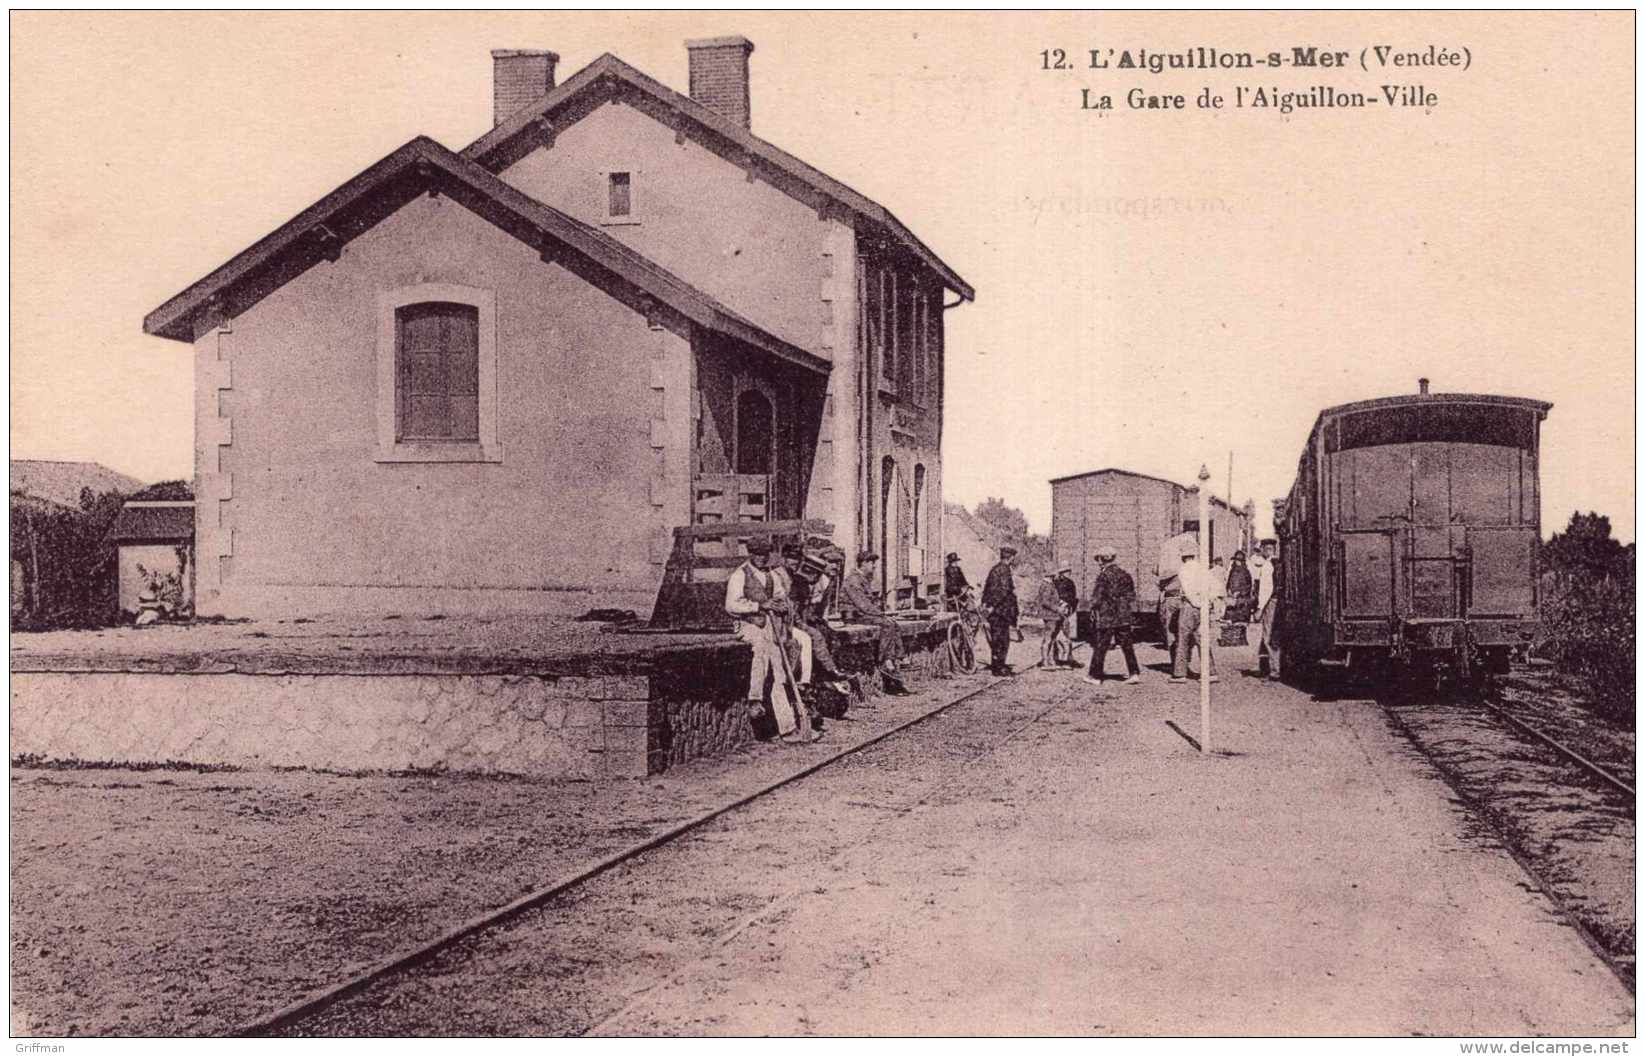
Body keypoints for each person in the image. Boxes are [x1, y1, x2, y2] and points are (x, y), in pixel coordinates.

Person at [725, 538, 815, 743]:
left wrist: (782, 606)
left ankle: (788, 728)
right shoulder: (740, 575)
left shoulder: (772, 575)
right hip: (747, 625)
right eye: (758, 555)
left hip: (770, 626)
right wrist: (759, 606)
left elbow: (781, 597)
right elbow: (732, 605)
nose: (762, 558)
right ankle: (754, 699)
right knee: (760, 647)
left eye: (765, 555)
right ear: (751, 554)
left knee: (779, 674)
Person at [777, 543, 848, 693]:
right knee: (811, 636)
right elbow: (789, 606)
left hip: (795, 619)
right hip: (782, 622)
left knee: (826, 635)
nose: (794, 562)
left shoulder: (799, 579)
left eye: (797, 559)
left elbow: (804, 607)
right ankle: (822, 675)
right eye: (791, 558)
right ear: (783, 558)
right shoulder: (779, 576)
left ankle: (825, 677)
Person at [838, 551, 911, 695]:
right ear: (864, 563)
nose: (874, 567)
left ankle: (898, 657)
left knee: (892, 624)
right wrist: (881, 614)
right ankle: (886, 661)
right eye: (872, 564)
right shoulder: (853, 580)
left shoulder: (862, 578)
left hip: (861, 614)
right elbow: (863, 605)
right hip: (854, 616)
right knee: (888, 624)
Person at [1086, 547, 1141, 685]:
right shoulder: (1125, 574)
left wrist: (1093, 607)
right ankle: (1134, 673)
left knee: (1101, 645)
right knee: (1127, 645)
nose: (1098, 563)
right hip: (1123, 615)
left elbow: (1097, 597)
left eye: (1098, 559)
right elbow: (1131, 595)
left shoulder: (1103, 576)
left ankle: (1095, 676)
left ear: (1102, 559)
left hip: (1107, 615)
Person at [1171, 541, 1222, 683]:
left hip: (1190, 606)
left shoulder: (1183, 570)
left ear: (1182, 556)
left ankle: (1180, 674)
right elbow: (1217, 587)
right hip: (1204, 606)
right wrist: (1207, 601)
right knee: (1202, 640)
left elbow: (1187, 591)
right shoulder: (1203, 569)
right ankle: (1210, 672)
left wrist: (1195, 602)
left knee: (1183, 639)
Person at [981, 546, 1020, 675]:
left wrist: (986, 604)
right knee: (1001, 640)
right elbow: (1002, 591)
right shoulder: (1004, 569)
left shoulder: (996, 569)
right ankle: (998, 668)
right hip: (1000, 612)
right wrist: (992, 606)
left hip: (997, 612)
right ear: (1011, 557)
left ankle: (998, 665)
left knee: (998, 639)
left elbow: (987, 590)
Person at [1253, 538, 1282, 680]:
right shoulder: (1278, 563)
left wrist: (1259, 609)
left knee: (1268, 636)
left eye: (1263, 549)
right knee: (1271, 634)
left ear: (1267, 550)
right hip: (1277, 601)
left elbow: (1266, 590)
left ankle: (1274, 671)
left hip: (1269, 602)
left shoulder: (1267, 566)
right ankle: (1266, 667)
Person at [1034, 572, 1069, 669]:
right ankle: (1045, 662)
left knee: (1052, 639)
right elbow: (1045, 602)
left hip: (1053, 615)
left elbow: (1051, 600)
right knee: (1048, 638)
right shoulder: (1047, 585)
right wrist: (1058, 608)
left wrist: (1060, 602)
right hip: (1050, 615)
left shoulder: (1049, 584)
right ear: (1051, 575)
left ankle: (1050, 660)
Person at [1053, 566, 1080, 668]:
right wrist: (1067, 605)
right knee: (1064, 635)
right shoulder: (1069, 583)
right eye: (1067, 571)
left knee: (1059, 635)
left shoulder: (1055, 582)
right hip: (1064, 610)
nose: (1068, 572)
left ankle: (1060, 659)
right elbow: (1072, 597)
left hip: (1059, 610)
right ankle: (1065, 660)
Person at [1224, 549, 1255, 624]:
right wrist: (1228, 591)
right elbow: (1228, 583)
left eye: (1239, 560)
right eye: (1236, 560)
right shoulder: (1232, 570)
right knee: (1230, 625)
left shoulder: (1246, 572)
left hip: (1242, 602)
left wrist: (1240, 592)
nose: (1237, 562)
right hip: (1232, 602)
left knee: (1240, 624)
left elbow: (1248, 586)